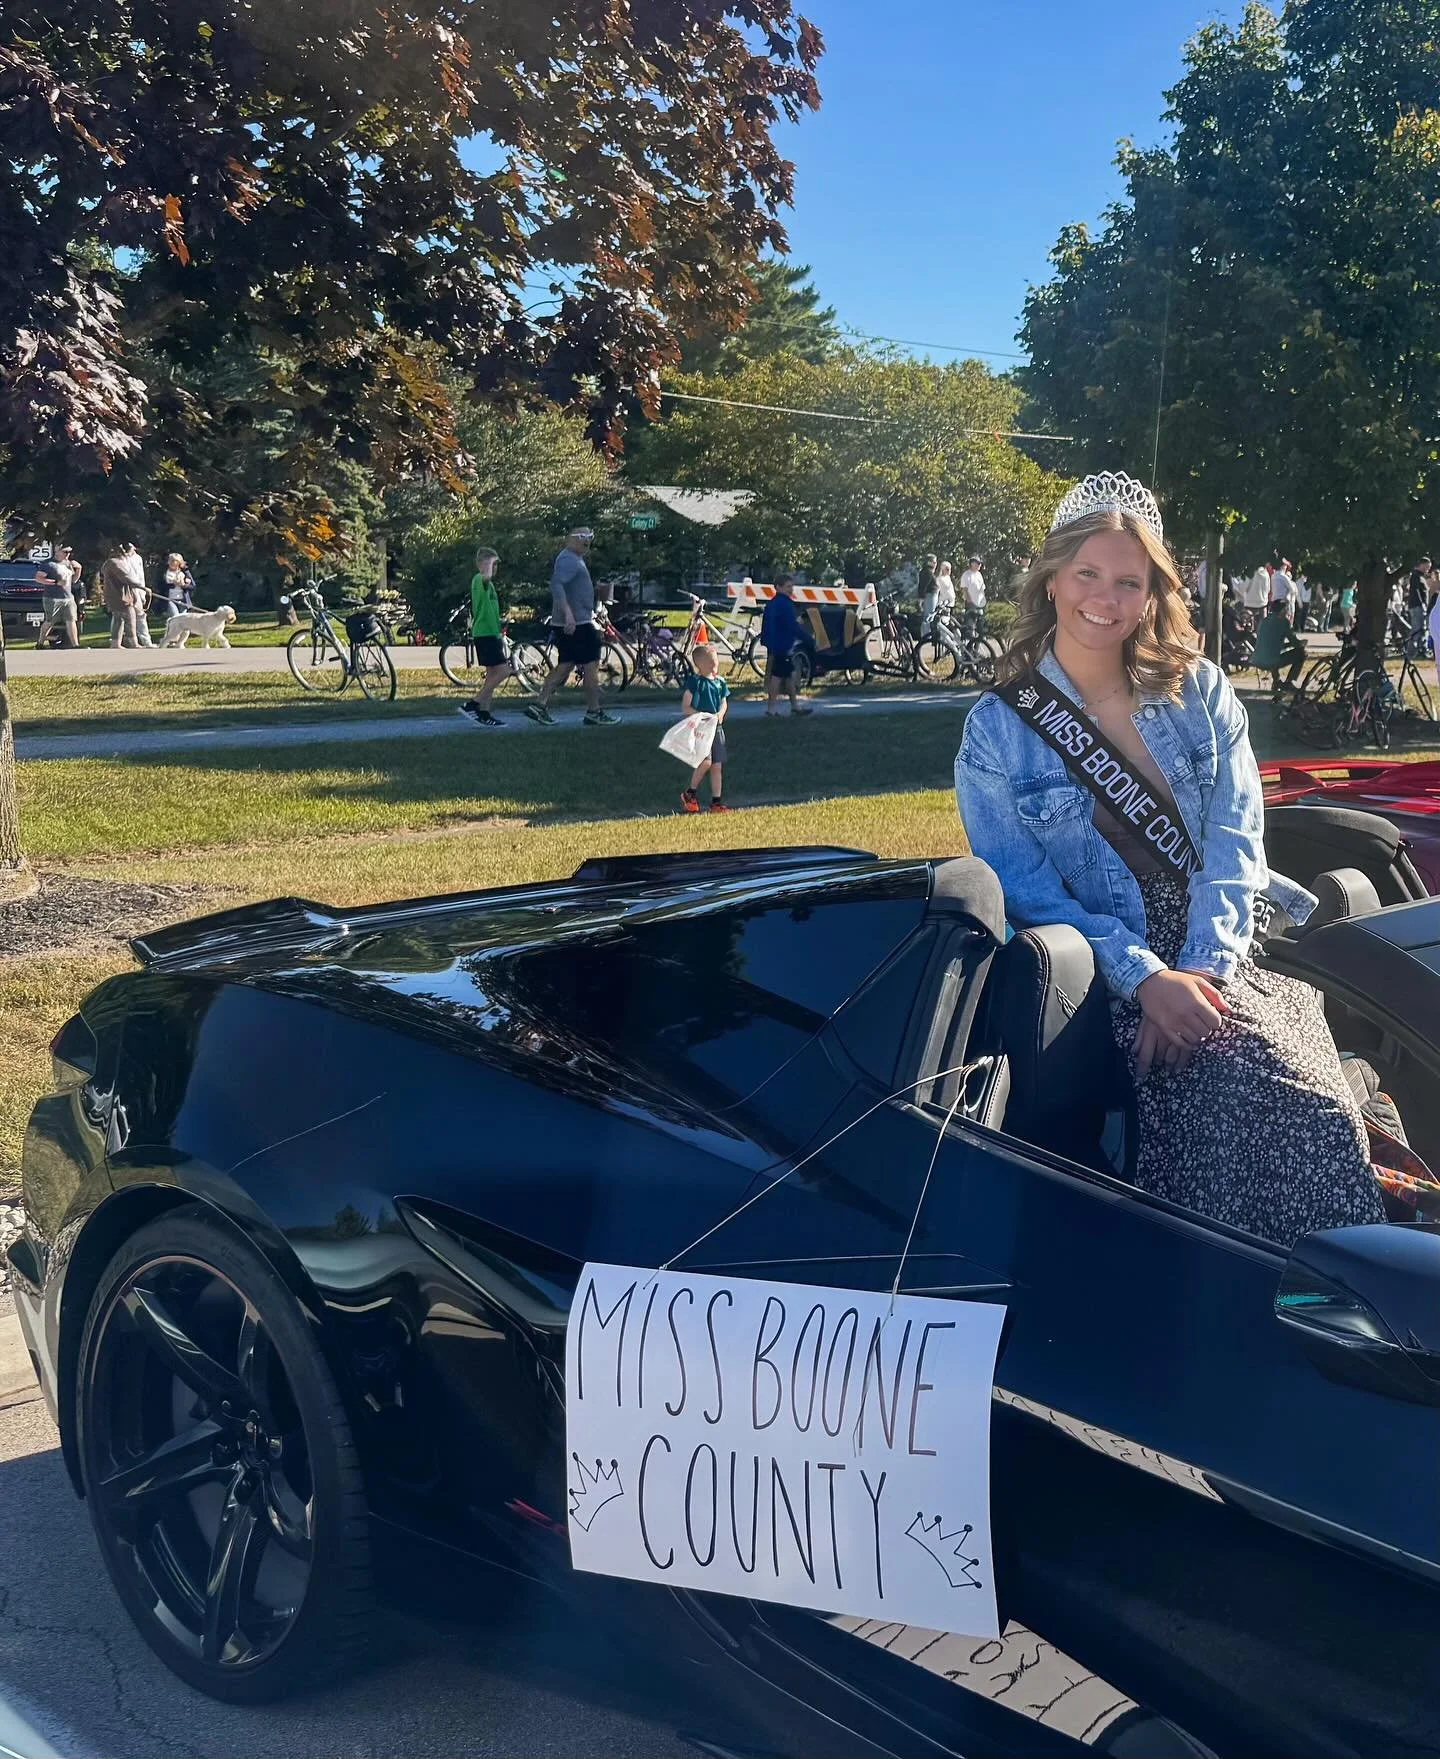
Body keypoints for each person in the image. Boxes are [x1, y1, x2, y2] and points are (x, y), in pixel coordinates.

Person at [956, 471, 1383, 1246]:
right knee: (1216, 1097)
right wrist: (1146, 978)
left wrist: (1203, 969)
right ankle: (1219, 1292)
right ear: (1052, 579)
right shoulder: (997, 730)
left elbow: (1235, 841)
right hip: (1103, 964)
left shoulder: (1202, 693)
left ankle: (1337, 1295)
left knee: (1313, 1101)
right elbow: (1021, 887)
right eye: (1087, 573)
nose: (1105, 598)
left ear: (1153, 593)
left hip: (1222, 941)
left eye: (1129, 581)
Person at [525, 528, 620, 727]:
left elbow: (569, 587)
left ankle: (539, 705)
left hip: (575, 622)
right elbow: (556, 585)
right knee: (591, 665)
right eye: (582, 537)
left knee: (566, 665)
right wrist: (568, 615)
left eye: (590, 537)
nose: (587, 541)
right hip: (577, 624)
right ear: (570, 540)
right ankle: (594, 711)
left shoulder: (573, 559)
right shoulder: (569, 559)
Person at [457, 547, 513, 728]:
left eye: (496, 565)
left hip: (492, 632)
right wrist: (488, 563)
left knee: (492, 675)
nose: (494, 568)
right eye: (491, 564)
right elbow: (485, 577)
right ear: (481, 564)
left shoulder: (490, 585)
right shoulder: (479, 580)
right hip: (484, 633)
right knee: (504, 671)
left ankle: (484, 713)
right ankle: (473, 704)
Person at [678, 644, 730, 813]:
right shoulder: (696, 683)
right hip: (702, 729)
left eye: (716, 662)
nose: (715, 666)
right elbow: (686, 707)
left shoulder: (720, 682)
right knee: (706, 761)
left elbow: (723, 702)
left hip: (717, 729)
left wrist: (720, 713)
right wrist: (700, 715)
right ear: (700, 665)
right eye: (711, 663)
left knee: (716, 766)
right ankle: (690, 792)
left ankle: (716, 801)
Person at [761, 576, 812, 716]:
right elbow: (792, 626)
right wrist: (809, 640)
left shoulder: (772, 604)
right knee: (777, 676)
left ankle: (795, 706)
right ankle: (771, 709)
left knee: (789, 675)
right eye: (788, 586)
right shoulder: (785, 605)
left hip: (775, 644)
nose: (791, 589)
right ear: (778, 587)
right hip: (782, 645)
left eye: (791, 586)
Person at [1251, 599, 1308, 698]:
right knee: (1302, 653)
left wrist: (1288, 645)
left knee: (1272, 653)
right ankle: (1289, 682)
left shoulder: (1264, 621)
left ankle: (1276, 681)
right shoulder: (1283, 622)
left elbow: (1272, 644)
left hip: (1256, 659)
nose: (1287, 612)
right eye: (1286, 609)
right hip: (1271, 661)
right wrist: (1302, 643)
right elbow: (1295, 643)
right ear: (1282, 611)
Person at [34, 547, 79, 648]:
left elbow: (73, 580)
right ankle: (40, 643)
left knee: (71, 620)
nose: (67, 554)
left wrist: (78, 570)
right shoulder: (48, 564)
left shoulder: (68, 563)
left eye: (69, 552)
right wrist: (55, 582)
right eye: (65, 552)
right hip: (52, 598)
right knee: (50, 621)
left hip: (68, 598)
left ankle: (75, 645)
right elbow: (38, 578)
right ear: (57, 551)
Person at [101, 543, 143, 648]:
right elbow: (126, 577)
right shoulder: (115, 563)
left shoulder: (112, 562)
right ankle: (133, 642)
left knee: (118, 619)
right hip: (119, 595)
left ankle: (115, 643)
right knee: (130, 616)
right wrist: (142, 587)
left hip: (118, 594)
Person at [162, 554, 195, 626]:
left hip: (183, 600)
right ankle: (173, 632)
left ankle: (183, 633)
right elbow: (161, 586)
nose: (173, 564)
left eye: (176, 562)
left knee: (183, 619)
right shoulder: (165, 573)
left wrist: (184, 585)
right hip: (171, 599)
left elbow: (192, 586)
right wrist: (173, 584)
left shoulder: (184, 573)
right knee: (175, 617)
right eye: (171, 562)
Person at [959, 554, 987, 636]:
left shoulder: (979, 575)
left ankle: (979, 640)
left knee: (980, 624)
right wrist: (969, 600)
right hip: (971, 603)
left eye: (980, 563)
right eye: (978, 563)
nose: (979, 565)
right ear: (972, 564)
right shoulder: (966, 575)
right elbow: (965, 589)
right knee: (970, 624)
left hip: (980, 603)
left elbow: (982, 588)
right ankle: (970, 640)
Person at [918, 554, 939, 634]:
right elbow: (923, 586)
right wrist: (921, 599)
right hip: (930, 596)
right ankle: (926, 635)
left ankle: (927, 634)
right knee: (928, 617)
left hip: (932, 596)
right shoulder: (927, 572)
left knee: (930, 616)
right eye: (933, 562)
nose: (935, 564)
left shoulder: (929, 572)